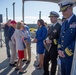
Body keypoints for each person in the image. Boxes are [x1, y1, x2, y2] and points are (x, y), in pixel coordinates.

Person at [58, 2, 76, 75]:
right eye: (62, 11)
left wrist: (66, 52)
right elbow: (60, 37)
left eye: (64, 10)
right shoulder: (64, 23)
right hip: (62, 56)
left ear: (71, 8)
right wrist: (59, 49)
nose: (62, 13)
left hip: (71, 57)